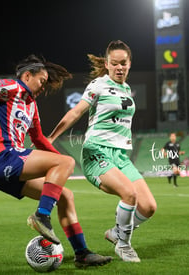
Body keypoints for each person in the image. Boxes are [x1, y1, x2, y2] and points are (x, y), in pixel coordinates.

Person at [0, 54, 112, 268]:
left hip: (11, 165)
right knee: (65, 163)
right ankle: (41, 216)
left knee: (65, 196)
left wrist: (59, 158)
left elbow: (39, 139)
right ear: (27, 75)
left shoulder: (31, 106)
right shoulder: (12, 87)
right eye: (41, 81)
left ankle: (82, 253)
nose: (43, 87)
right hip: (2, 156)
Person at [47, 40, 157, 262]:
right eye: (114, 63)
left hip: (120, 156)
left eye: (123, 63)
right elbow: (76, 112)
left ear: (129, 64)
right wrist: (51, 138)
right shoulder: (98, 85)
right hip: (96, 153)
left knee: (148, 207)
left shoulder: (125, 89)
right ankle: (123, 244)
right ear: (107, 64)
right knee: (130, 194)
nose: (119, 68)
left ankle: (116, 232)